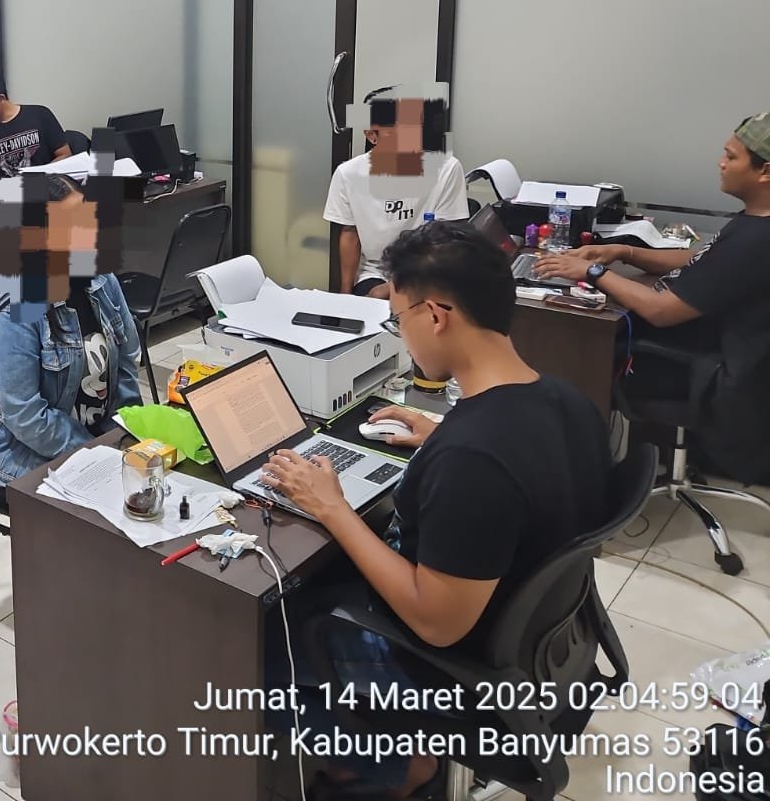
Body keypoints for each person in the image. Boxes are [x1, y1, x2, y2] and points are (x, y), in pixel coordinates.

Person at [261, 221, 611, 799]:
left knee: (266, 637)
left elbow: (435, 623)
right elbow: (516, 469)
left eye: (399, 319)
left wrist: (332, 506)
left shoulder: (474, 460)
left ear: (435, 316)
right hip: (537, 639)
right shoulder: (568, 401)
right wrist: (440, 436)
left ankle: (392, 769)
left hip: (456, 669)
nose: (402, 336)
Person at [535, 112, 770, 482]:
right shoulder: (756, 221)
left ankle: (580, 478)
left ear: (765, 172)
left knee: (573, 343)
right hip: (720, 354)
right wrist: (624, 252)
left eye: (731, 156)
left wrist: (593, 273)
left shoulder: (756, 241)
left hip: (700, 370)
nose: (720, 163)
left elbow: (661, 312)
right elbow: (700, 259)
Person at [0, 174, 140, 489]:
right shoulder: (14, 314)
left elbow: (128, 361)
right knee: (111, 499)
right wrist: (95, 452)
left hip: (95, 436)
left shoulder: (103, 280)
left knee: (150, 482)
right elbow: (24, 416)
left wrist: (131, 433)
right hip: (22, 450)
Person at [324, 87, 468, 299]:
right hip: (376, 271)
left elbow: (448, 240)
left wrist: (394, 287)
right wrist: (346, 297)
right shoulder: (348, 174)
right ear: (372, 135)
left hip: (430, 270)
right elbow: (350, 233)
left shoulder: (446, 168)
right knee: (375, 300)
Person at [0, 67, 71, 244]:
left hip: (46, 202)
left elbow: (65, 155)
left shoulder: (39, 116)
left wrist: (40, 176)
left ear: (1, 98)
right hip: (7, 210)